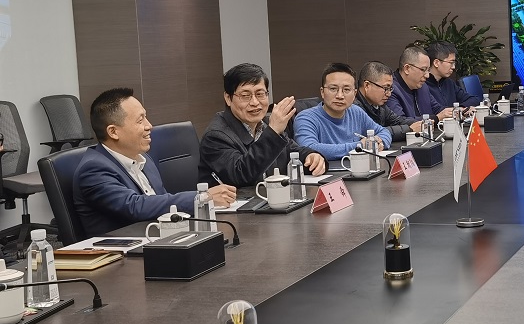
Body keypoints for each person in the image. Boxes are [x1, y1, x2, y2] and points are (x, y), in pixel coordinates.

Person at [74, 88, 236, 236]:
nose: (149, 126)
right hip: (122, 251)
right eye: (140, 120)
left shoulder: (144, 159)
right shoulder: (93, 169)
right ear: (113, 132)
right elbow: (135, 207)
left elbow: (160, 204)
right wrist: (201, 198)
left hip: (160, 239)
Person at [199, 63, 326, 191]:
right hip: (237, 203)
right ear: (228, 98)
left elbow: (292, 152)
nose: (255, 102)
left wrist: (312, 156)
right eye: (245, 96)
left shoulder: (264, 124)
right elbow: (242, 175)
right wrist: (273, 132)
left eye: (260, 94)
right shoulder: (215, 136)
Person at [293, 62, 392, 160]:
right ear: (322, 92)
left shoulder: (356, 112)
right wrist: (359, 146)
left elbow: (383, 131)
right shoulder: (305, 118)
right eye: (333, 89)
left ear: (354, 94)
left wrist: (380, 142)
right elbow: (309, 149)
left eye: (346, 90)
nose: (340, 96)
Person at [355, 61, 423, 143]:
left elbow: (399, 121)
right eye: (385, 88)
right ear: (367, 85)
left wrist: (420, 123)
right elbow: (372, 133)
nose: (389, 94)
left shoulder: (380, 106)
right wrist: (409, 129)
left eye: (390, 89)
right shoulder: (354, 108)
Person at [386, 46, 453, 122]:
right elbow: (400, 121)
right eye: (423, 70)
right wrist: (436, 118)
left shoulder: (423, 86)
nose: (427, 75)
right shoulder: (390, 90)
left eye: (428, 70)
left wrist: (453, 111)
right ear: (407, 69)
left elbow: (437, 109)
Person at [424, 41, 479, 109]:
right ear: (436, 63)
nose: (453, 67)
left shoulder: (449, 83)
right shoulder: (423, 85)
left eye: (454, 63)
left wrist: (460, 109)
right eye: (451, 63)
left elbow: (474, 99)